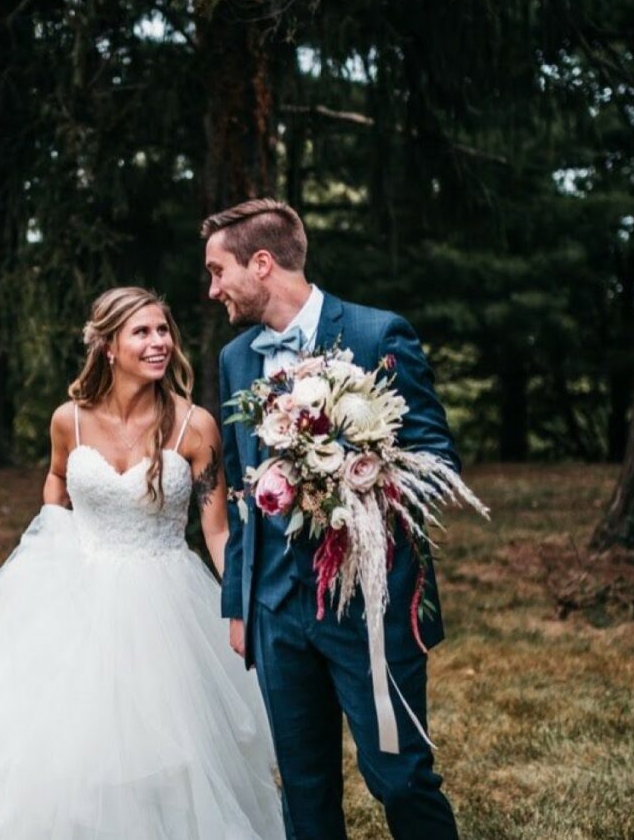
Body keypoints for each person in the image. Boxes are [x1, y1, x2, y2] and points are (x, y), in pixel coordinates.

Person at [0, 287, 284, 840]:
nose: (158, 343)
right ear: (108, 345)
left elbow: (217, 529)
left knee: (169, 743)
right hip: (75, 589)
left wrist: (240, 600)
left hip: (165, 599)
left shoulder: (193, 426)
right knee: (60, 738)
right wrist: (49, 546)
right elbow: (57, 479)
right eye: (142, 332)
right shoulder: (69, 420)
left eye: (163, 330)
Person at [206, 199, 462, 840]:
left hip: (367, 604)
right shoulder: (236, 359)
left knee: (399, 777)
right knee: (304, 787)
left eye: (218, 271)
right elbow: (243, 495)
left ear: (261, 264)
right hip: (275, 609)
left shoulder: (379, 335)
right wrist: (241, 602)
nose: (213, 290)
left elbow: (436, 460)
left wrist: (348, 473)